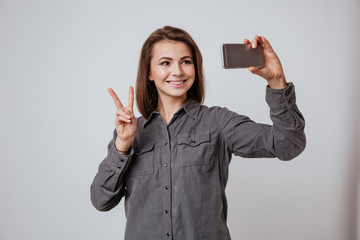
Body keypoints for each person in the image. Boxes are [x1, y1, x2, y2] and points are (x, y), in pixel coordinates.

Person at [90, 26, 306, 240]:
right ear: (149, 72)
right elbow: (100, 200)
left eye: (186, 61)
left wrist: (277, 81)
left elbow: (288, 144)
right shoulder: (130, 133)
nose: (178, 71)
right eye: (165, 63)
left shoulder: (218, 122)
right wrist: (122, 145)